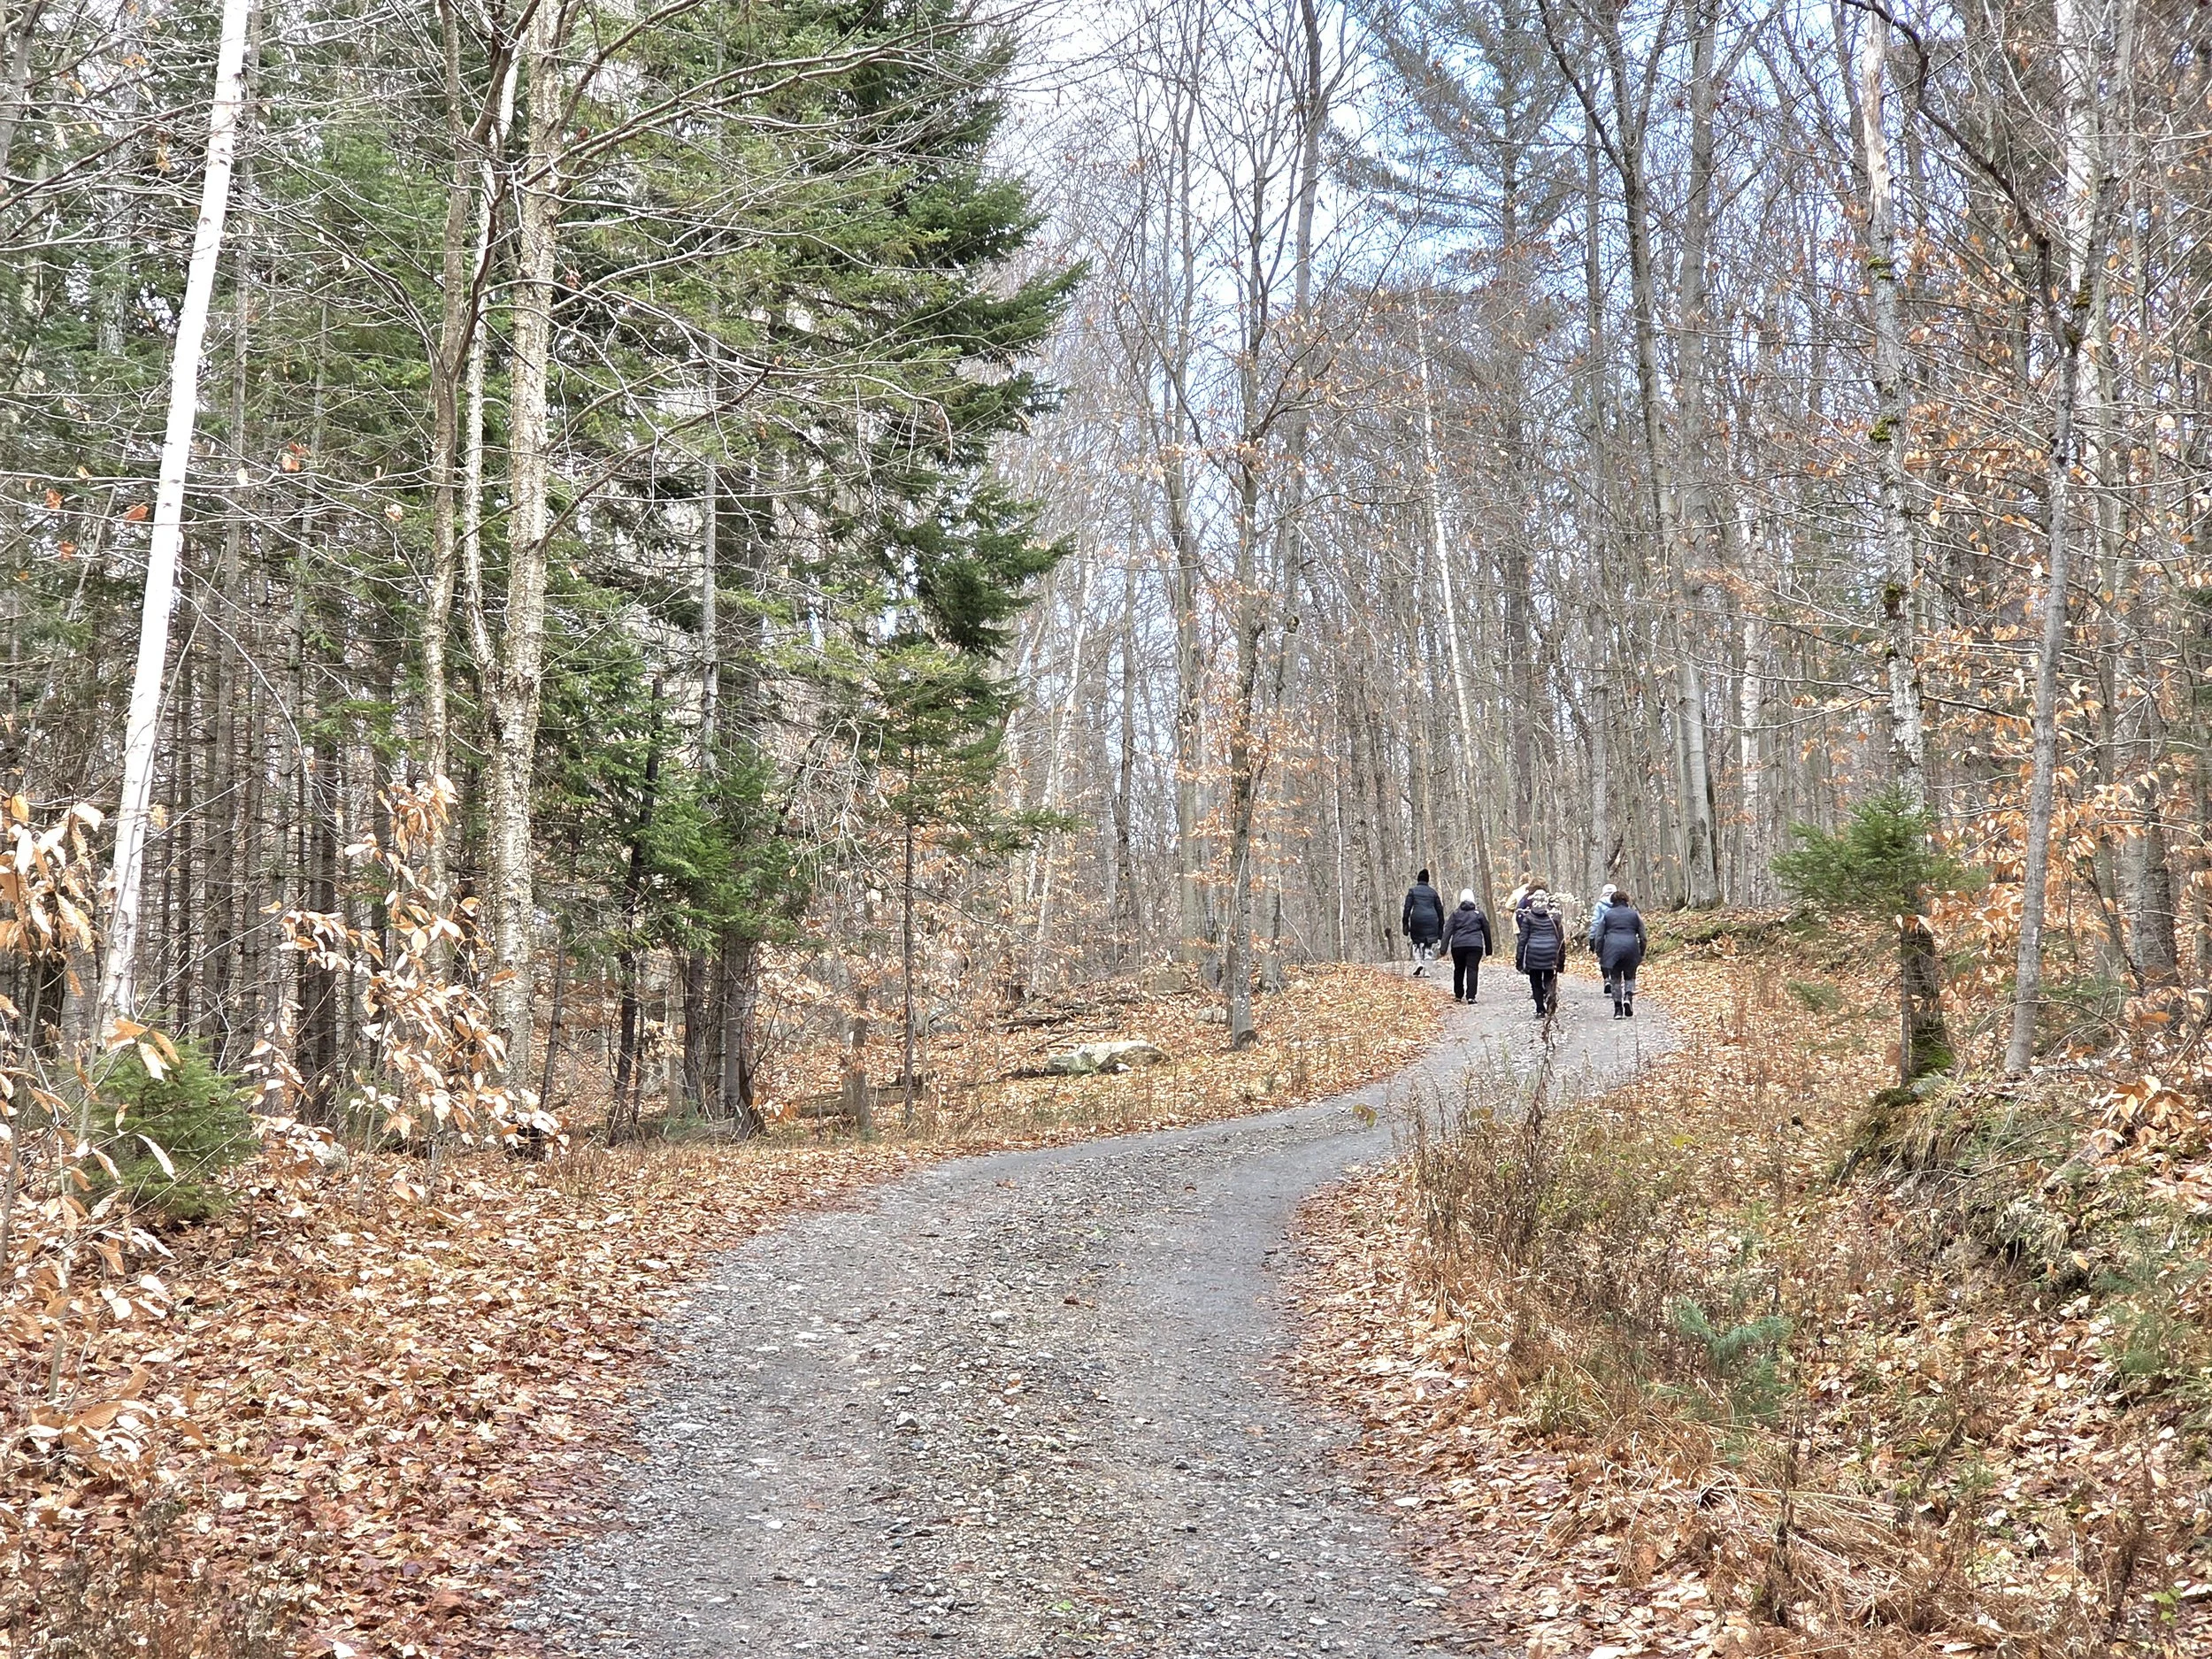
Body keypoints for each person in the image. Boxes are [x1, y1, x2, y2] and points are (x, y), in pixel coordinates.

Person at [1594, 887, 1647, 1018]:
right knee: (1630, 976)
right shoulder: (1634, 915)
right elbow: (1643, 936)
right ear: (1626, 900)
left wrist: (1600, 952)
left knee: (1615, 979)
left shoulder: (1607, 915)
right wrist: (1641, 952)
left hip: (1612, 948)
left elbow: (1599, 936)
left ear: (1612, 900)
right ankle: (1628, 997)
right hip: (1631, 947)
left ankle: (1618, 1009)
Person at [1518, 891, 1566, 1019]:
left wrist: (1519, 960)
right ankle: (1550, 994)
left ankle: (1540, 1009)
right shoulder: (1554, 917)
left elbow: (1523, 940)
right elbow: (1561, 940)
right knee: (1549, 978)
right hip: (1551, 952)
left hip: (1533, 953)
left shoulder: (1528, 918)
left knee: (1535, 981)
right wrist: (1561, 961)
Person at [1440, 888, 1490, 1003]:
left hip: (1458, 946)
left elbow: (1448, 931)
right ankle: (1471, 996)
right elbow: (1486, 931)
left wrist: (1443, 948)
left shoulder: (1455, 914)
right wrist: (1489, 950)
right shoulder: (1479, 914)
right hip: (1475, 946)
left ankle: (1458, 995)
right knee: (1472, 969)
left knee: (1459, 969)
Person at [1402, 868, 1446, 979]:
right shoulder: (1433, 893)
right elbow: (1440, 911)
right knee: (1428, 945)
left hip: (1417, 919)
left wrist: (1405, 924)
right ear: (1428, 880)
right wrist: (1441, 928)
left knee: (1416, 942)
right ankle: (1427, 970)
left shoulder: (1412, 891)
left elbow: (1407, 908)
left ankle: (1419, 962)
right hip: (1431, 920)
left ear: (1418, 879)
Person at [1586, 883, 1617, 951]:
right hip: (1621, 938)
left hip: (1605, 939)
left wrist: (1592, 938)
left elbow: (1595, 922)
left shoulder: (1599, 905)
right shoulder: (1622, 904)